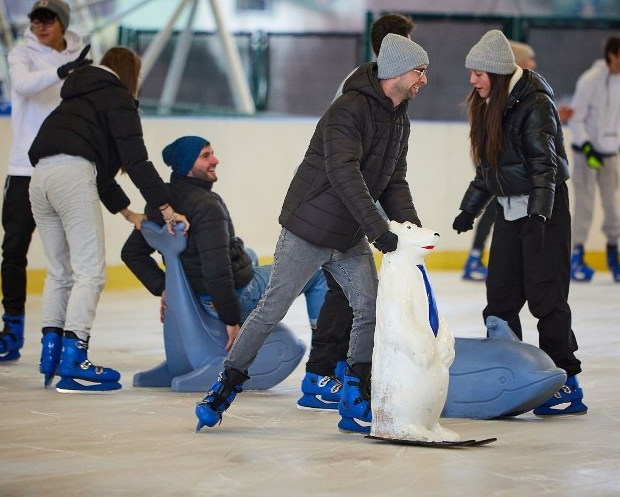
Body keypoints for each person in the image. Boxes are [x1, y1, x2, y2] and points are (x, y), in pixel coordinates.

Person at [194, 33, 428, 434]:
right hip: (309, 228)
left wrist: (409, 230)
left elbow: (393, 182)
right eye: (420, 71)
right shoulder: (347, 110)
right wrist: (378, 231)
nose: (424, 80)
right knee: (271, 308)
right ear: (396, 72)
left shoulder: (399, 118)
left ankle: (355, 391)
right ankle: (226, 383)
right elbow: (343, 173)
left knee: (370, 306)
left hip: (350, 232)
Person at [28, 46, 189, 393]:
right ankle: (75, 361)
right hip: (71, 176)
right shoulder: (116, 97)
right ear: (130, 74)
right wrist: (165, 207)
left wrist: (128, 212)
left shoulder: (77, 97)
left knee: (59, 271)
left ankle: (51, 353)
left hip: (39, 179)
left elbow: (99, 172)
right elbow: (137, 161)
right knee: (91, 272)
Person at [452, 30, 585, 416]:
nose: (472, 80)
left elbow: (545, 167)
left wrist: (541, 214)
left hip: (545, 211)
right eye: (471, 72)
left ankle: (566, 380)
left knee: (547, 298)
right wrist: (470, 209)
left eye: (478, 72)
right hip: (510, 211)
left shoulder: (534, 103)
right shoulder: (489, 104)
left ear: (495, 70)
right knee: (501, 298)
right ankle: (511, 372)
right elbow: (489, 170)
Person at [120, 136, 329, 370]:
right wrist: (231, 318)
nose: (215, 160)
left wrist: (167, 288)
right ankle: (322, 360)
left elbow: (132, 253)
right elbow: (216, 269)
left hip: (194, 290)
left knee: (248, 253)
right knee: (318, 274)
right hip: (226, 296)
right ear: (186, 166)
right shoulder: (206, 206)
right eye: (205, 156)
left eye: (212, 153)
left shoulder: (164, 205)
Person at [305, 13, 418, 400]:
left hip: (362, 202)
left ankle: (342, 365)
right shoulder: (361, 89)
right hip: (346, 204)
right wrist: (374, 219)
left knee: (357, 293)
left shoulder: (388, 92)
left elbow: (390, 169)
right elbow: (345, 162)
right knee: (343, 290)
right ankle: (321, 371)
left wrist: (408, 223)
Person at [0, 0, 91, 363]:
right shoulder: (21, 55)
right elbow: (24, 86)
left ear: (62, 22)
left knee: (68, 258)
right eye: (35, 19)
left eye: (48, 18)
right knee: (13, 250)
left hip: (64, 167)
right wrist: (63, 72)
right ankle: (11, 328)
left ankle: (66, 334)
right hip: (22, 170)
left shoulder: (80, 57)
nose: (40, 25)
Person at [462, 40, 538, 281]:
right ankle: (475, 256)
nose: (533, 64)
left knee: (496, 206)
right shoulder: (494, 93)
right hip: (493, 158)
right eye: (528, 60)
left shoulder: (519, 91)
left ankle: (478, 256)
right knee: (495, 205)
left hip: (501, 159)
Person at [564, 35, 620, 283]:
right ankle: (577, 255)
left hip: (610, 151)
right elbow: (576, 117)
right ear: (612, 56)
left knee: (612, 206)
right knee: (585, 206)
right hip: (586, 154)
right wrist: (586, 146)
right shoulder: (589, 81)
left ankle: (613, 255)